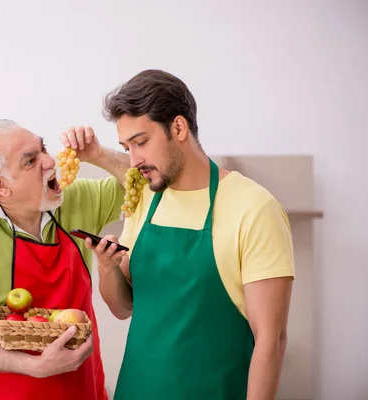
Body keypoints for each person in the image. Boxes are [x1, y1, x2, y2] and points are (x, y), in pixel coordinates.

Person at [88, 69, 295, 400]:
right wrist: (106, 266)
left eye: (141, 142)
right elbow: (124, 307)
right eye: (126, 147)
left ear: (179, 127)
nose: (134, 159)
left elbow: (271, 338)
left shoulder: (254, 207)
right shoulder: (144, 198)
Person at [0, 119, 130, 400]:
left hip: (82, 391)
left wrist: (98, 154)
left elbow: (144, 181)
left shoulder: (70, 199)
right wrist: (35, 366)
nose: (49, 161)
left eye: (43, 149)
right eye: (30, 161)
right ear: (1, 185)